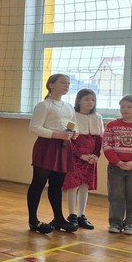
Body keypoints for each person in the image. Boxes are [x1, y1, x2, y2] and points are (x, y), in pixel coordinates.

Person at [27, 74, 79, 235]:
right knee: (38, 183)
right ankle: (33, 221)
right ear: (51, 85)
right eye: (63, 82)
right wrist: (57, 134)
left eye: (68, 83)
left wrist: (74, 133)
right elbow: (34, 127)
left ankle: (58, 218)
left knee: (57, 184)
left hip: (63, 147)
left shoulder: (68, 106)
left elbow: (73, 125)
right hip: (47, 146)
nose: (67, 85)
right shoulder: (44, 105)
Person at [63, 89, 103, 230]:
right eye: (86, 99)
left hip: (91, 158)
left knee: (85, 185)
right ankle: (72, 215)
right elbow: (69, 140)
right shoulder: (72, 116)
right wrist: (82, 155)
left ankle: (81, 215)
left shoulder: (97, 117)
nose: (90, 102)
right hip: (75, 157)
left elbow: (99, 139)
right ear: (79, 100)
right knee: (73, 186)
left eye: (93, 100)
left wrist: (95, 155)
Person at [103, 94, 132, 234]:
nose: (125, 109)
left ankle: (130, 224)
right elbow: (107, 145)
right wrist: (118, 162)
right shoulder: (112, 125)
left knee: (131, 196)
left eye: (129, 107)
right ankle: (116, 223)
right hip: (116, 167)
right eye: (122, 107)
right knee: (116, 195)